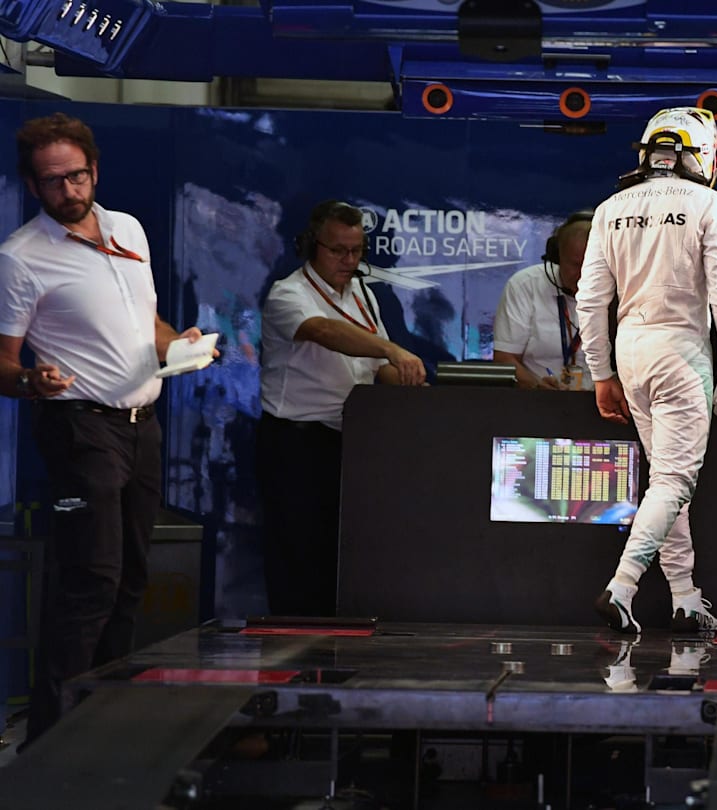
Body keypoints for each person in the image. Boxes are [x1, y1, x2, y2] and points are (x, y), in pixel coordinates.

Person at [0, 112, 212, 748]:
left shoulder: (128, 229)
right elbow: (3, 362)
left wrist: (185, 345)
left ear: (96, 170)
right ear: (33, 186)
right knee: (91, 579)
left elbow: (145, 324)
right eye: (54, 181)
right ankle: (49, 740)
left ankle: (102, 721)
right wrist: (30, 382)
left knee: (131, 579)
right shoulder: (20, 258)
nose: (69, 190)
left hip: (143, 421)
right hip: (79, 426)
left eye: (78, 176)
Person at [576, 106, 717, 634]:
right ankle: (622, 586)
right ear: (704, 156)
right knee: (675, 479)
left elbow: (589, 302)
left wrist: (601, 373)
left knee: (665, 483)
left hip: (630, 352)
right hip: (680, 353)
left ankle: (684, 595)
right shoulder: (709, 203)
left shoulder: (610, 209)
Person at [257, 200, 425, 616]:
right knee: (298, 556)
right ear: (311, 246)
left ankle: (329, 653)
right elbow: (324, 331)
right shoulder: (288, 293)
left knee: (337, 555)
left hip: (351, 440)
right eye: (338, 251)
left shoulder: (363, 295)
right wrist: (391, 348)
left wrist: (409, 379)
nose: (349, 261)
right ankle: (292, 658)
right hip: (297, 442)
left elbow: (373, 369)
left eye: (356, 251)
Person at [493, 211, 595, 390]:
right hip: (539, 402)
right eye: (575, 264)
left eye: (592, 265)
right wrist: (536, 386)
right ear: (557, 257)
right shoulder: (525, 286)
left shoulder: (625, 289)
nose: (583, 274)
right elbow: (504, 358)